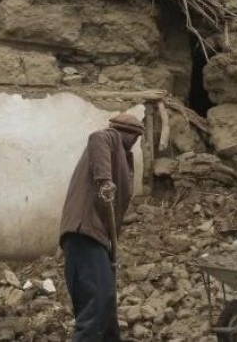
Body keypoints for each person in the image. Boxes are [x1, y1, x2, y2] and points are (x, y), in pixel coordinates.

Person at [59, 113, 144, 342]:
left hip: (98, 238)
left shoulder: (123, 156)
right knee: (98, 303)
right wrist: (104, 180)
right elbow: (98, 138)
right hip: (84, 231)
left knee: (106, 308)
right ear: (126, 133)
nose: (135, 142)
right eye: (134, 137)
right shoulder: (110, 138)